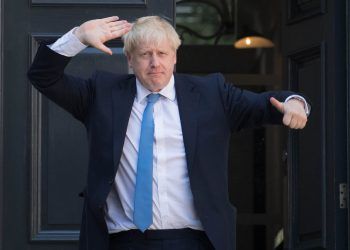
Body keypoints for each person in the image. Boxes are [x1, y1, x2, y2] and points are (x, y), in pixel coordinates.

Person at [27, 16, 309, 250]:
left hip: (193, 240)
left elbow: (266, 104)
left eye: (162, 54)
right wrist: (78, 36)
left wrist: (294, 102)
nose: (155, 64)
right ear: (129, 58)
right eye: (145, 55)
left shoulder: (212, 95)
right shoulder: (101, 94)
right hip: (121, 241)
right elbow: (43, 77)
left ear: (175, 57)